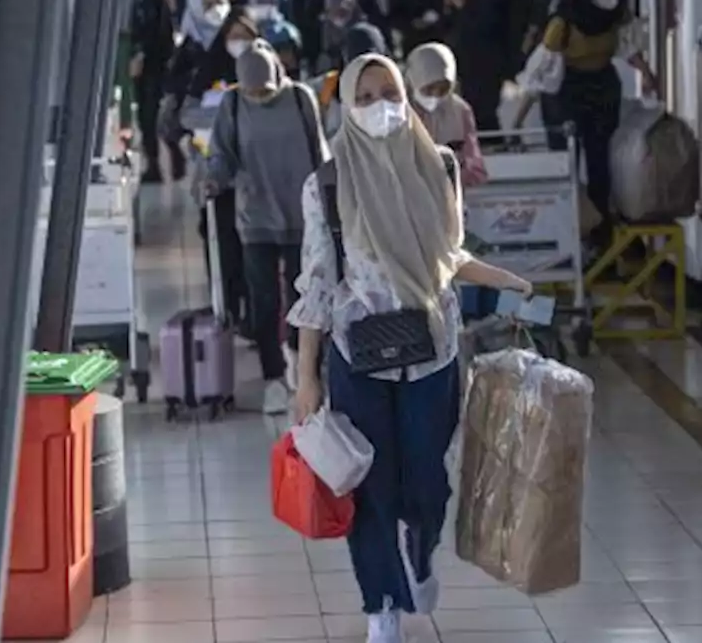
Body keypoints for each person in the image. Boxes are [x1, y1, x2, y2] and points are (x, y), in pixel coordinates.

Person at [288, 53, 532, 643]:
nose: (380, 106)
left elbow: (450, 257)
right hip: (357, 356)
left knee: (426, 484)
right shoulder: (326, 183)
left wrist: (505, 280)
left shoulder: (441, 167)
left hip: (432, 353)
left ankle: (419, 552)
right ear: (346, 106)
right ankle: (383, 606)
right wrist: (306, 376)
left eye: (389, 92)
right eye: (365, 97)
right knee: (370, 487)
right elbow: (318, 282)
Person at [205, 40, 328, 414]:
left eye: (265, 90)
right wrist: (213, 180)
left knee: (302, 297)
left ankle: (301, 368)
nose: (258, 97)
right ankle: (272, 375)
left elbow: (319, 151)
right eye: (252, 91)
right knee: (263, 301)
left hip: (301, 214)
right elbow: (222, 154)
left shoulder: (300, 99)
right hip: (255, 215)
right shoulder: (233, 104)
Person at [538, 0, 657, 238]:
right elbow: (542, 73)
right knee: (566, 164)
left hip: (602, 88)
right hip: (565, 93)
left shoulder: (616, 15)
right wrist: (518, 118)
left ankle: (600, 230)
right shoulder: (561, 24)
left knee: (599, 162)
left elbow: (627, 48)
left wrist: (648, 74)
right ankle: (567, 232)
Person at [443, 0, 508, 132]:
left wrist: (462, 7)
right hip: (464, 64)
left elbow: (483, 28)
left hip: (486, 65)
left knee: (484, 114)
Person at [404, 43, 488, 187]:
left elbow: (475, 164)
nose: (435, 95)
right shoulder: (400, 111)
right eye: (429, 88)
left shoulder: (460, 111)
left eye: (444, 89)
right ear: (414, 81)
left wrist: (454, 177)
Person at [129, 0, 179, 184]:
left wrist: (142, 56)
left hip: (154, 66)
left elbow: (157, 34)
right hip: (150, 65)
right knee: (147, 117)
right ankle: (156, 163)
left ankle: (158, 164)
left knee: (150, 116)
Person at [310, 21, 386, 139]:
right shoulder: (324, 88)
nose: (361, 68)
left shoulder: (392, 92)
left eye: (370, 62)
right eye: (356, 60)